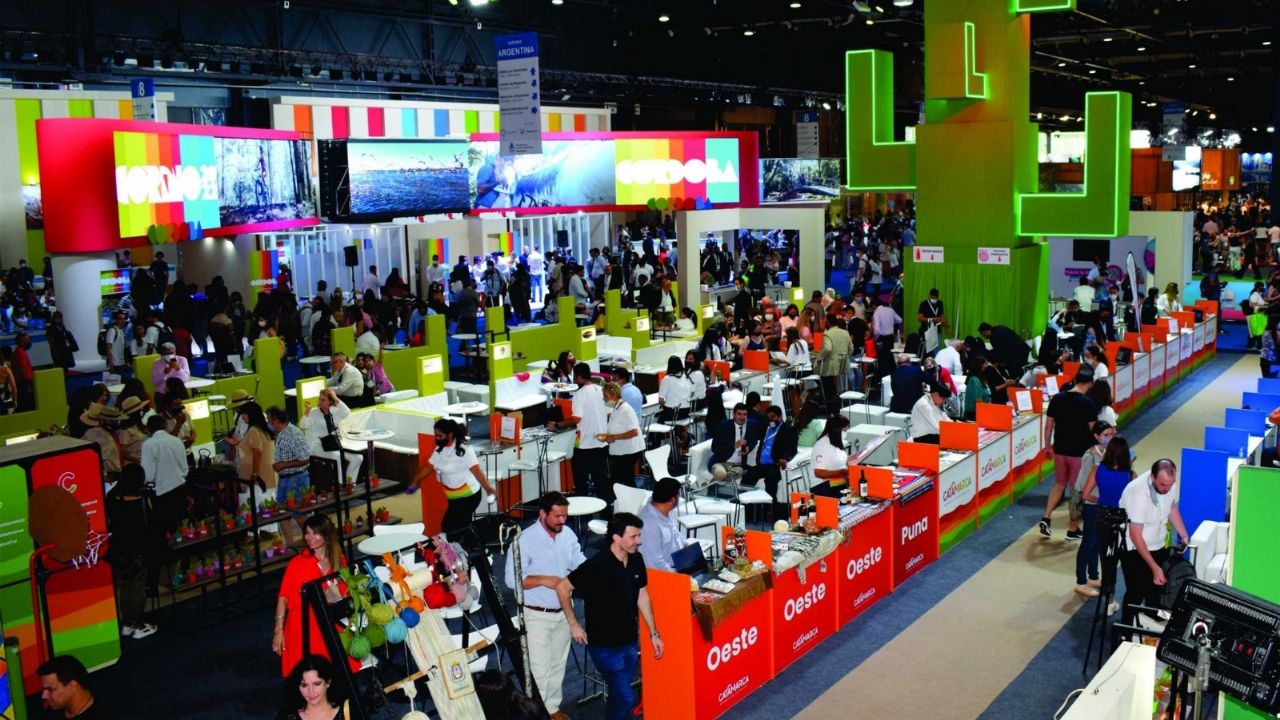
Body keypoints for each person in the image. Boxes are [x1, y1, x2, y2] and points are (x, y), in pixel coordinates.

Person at [556, 513, 664, 720]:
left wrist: (654, 634)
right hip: (604, 646)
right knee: (626, 697)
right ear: (616, 537)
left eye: (639, 535)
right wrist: (574, 624)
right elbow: (562, 587)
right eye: (633, 536)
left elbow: (642, 595)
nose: (639, 541)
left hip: (630, 642)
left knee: (617, 694)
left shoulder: (636, 559)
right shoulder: (597, 565)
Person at [502, 492, 585, 720]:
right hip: (536, 616)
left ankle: (551, 708)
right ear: (543, 513)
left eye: (565, 516)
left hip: (564, 612)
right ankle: (536, 715)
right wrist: (543, 580)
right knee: (539, 671)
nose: (562, 521)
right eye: (557, 516)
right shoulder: (524, 541)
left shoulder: (567, 534)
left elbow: (578, 561)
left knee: (558, 665)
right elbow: (511, 580)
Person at [273, 515, 351, 677]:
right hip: (302, 626)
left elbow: (345, 592)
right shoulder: (297, 563)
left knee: (336, 673)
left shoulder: (338, 559)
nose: (310, 537)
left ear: (326, 535)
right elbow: (283, 597)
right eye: (307, 533)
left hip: (329, 621)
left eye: (315, 533)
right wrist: (279, 630)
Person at [1118, 459, 1189, 636]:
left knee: (1156, 591)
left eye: (1170, 484)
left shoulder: (1169, 484)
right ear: (1152, 477)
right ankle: (1126, 631)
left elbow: (1172, 508)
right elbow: (1135, 535)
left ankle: (1153, 627)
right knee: (1135, 592)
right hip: (1134, 548)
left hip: (1158, 543)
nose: (1167, 488)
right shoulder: (1138, 493)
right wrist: (1154, 567)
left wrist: (1184, 534)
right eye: (1162, 485)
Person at [1039, 365, 1097, 538]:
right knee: (1075, 490)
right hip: (1079, 453)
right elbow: (1094, 430)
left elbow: (1048, 426)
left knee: (1059, 484)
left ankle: (1046, 517)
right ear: (1090, 383)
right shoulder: (1088, 403)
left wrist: (1048, 446)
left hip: (1060, 450)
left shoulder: (1057, 398)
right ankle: (1072, 529)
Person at [418, 418, 496, 539]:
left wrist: (489, 489)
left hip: (468, 496)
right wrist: (414, 481)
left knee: (449, 526)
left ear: (450, 434)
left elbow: (476, 471)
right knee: (462, 526)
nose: (437, 438)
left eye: (440, 435)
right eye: (436, 435)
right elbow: (429, 466)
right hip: (454, 498)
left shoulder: (465, 450)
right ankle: (473, 547)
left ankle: (468, 547)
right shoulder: (440, 449)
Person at [104, 464, 157, 641]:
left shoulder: (112, 498)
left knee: (124, 587)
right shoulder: (142, 499)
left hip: (118, 549)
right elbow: (150, 522)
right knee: (137, 588)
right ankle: (139, 624)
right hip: (138, 549)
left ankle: (127, 623)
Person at [547, 363, 610, 500]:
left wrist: (557, 425)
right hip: (602, 442)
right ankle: (606, 506)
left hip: (585, 444)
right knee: (601, 479)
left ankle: (582, 506)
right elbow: (608, 413)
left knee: (580, 479)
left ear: (579, 377)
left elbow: (576, 419)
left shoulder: (580, 395)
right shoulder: (600, 390)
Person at [1075, 423, 1120, 598]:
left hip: (1102, 504)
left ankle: (1093, 576)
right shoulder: (1089, 456)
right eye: (1105, 435)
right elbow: (1082, 484)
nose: (1109, 438)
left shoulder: (1109, 453)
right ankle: (1080, 581)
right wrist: (1095, 497)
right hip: (1091, 504)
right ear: (1096, 436)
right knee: (1088, 542)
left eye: (1111, 434)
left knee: (1097, 542)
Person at [742, 405, 799, 521]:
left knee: (770, 479)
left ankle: (773, 512)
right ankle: (748, 512)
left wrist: (784, 458)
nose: (770, 420)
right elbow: (762, 443)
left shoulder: (788, 429)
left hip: (776, 465)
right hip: (762, 464)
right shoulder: (766, 428)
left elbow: (792, 449)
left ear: (780, 417)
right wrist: (758, 455)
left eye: (772, 417)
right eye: (768, 418)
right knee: (748, 476)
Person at [300, 388, 362, 486]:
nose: (320, 402)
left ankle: (350, 483)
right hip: (317, 446)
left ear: (330, 401)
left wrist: (336, 399)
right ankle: (340, 485)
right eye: (319, 399)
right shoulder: (313, 412)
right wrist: (307, 412)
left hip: (333, 443)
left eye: (323, 400)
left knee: (358, 458)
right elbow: (303, 425)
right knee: (337, 457)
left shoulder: (334, 411)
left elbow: (347, 412)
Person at [268, 406, 312, 538]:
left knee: (299, 514)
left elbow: (305, 459)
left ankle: (310, 540)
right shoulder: (280, 433)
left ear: (277, 420)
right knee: (282, 513)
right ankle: (290, 544)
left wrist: (284, 465)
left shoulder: (294, 434)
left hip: (296, 478)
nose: (268, 423)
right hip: (285, 478)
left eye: (270, 420)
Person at [603, 382, 644, 506]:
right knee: (624, 479)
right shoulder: (617, 408)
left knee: (621, 479)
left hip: (629, 451)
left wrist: (613, 437)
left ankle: (627, 504)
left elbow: (634, 432)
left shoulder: (625, 409)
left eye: (605, 396)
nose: (604, 399)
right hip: (623, 450)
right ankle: (631, 503)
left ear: (614, 395)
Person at [637, 477, 687, 573]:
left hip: (679, 565)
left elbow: (677, 535)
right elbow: (655, 564)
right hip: (665, 574)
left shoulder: (666, 511)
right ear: (673, 500)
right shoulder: (648, 524)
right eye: (678, 495)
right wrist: (680, 577)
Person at [39, 655, 110, 719]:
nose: (44, 696)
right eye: (44, 689)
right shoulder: (53, 711)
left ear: (72, 686)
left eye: (50, 689)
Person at [278, 655, 344, 720]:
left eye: (317, 684)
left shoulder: (346, 712)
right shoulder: (287, 716)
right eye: (304, 685)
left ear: (328, 682)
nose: (311, 691)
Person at [709, 403, 761, 482]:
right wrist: (734, 445)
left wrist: (749, 447)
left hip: (737, 466)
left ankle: (709, 484)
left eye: (744, 414)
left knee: (736, 473)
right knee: (721, 474)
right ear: (733, 414)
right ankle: (713, 484)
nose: (742, 417)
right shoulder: (723, 426)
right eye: (739, 414)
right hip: (720, 462)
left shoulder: (752, 425)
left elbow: (754, 440)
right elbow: (714, 448)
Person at [815, 316, 852, 408]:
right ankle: (842, 401)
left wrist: (819, 358)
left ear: (828, 323)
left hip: (831, 365)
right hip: (844, 363)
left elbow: (828, 348)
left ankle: (830, 402)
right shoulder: (845, 332)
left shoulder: (827, 333)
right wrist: (846, 356)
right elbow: (851, 348)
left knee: (822, 376)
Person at [810, 415, 851, 497]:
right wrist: (842, 472)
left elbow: (837, 459)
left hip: (838, 481)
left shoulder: (835, 441)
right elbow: (818, 473)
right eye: (844, 430)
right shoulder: (822, 446)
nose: (846, 432)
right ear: (837, 430)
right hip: (824, 486)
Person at [80, 403, 123, 480]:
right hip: (109, 476)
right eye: (111, 420)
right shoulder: (102, 436)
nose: (114, 422)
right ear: (102, 420)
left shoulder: (92, 432)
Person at [964, 356, 992, 421]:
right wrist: (991, 409)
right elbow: (978, 401)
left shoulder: (981, 378)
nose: (987, 365)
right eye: (985, 364)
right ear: (979, 365)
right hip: (974, 414)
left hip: (982, 410)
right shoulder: (974, 380)